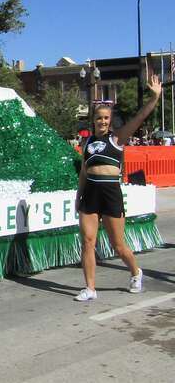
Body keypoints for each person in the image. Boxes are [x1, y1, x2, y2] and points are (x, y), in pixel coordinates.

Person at [74, 74, 162, 302]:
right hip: (90, 195)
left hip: (111, 194)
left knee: (118, 245)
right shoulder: (88, 143)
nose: (102, 121)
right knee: (88, 241)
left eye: (106, 118)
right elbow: (84, 171)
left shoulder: (117, 139)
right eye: (99, 118)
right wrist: (78, 196)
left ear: (110, 121)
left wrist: (154, 98)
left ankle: (136, 272)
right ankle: (90, 288)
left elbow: (139, 118)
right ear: (93, 120)